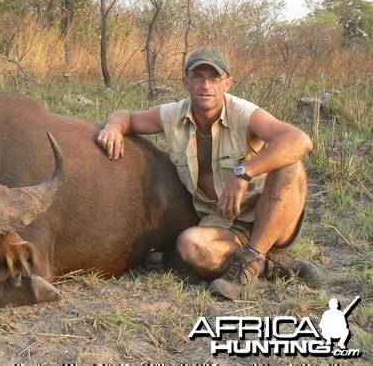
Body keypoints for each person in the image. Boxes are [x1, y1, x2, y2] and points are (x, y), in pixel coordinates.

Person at [97, 47, 320, 300]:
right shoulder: (172, 115)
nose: (206, 85)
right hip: (223, 225)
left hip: (269, 218)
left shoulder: (246, 113)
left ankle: (254, 256)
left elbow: (299, 140)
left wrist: (243, 174)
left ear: (227, 83)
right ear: (185, 82)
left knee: (290, 165)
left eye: (214, 78)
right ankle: (266, 267)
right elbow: (125, 116)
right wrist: (114, 126)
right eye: (198, 77)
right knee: (189, 245)